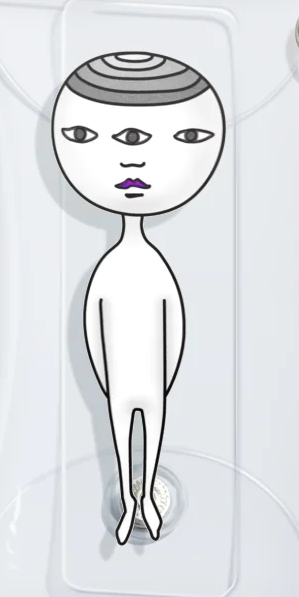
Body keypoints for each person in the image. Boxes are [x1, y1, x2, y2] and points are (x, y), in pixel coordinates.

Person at [52, 52, 225, 544]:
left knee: (142, 429)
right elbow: (101, 326)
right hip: (133, 382)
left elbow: (166, 327)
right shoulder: (118, 268)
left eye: (185, 136)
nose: (132, 161)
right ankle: (134, 500)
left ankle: (142, 496)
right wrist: (122, 381)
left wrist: (137, 380)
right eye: (85, 135)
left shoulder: (144, 267)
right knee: (124, 430)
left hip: (139, 382)